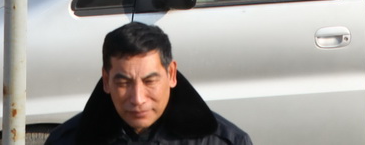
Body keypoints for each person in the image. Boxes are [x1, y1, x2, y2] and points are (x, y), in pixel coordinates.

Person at [45, 22, 252, 144]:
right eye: (124, 83)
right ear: (106, 80)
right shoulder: (67, 141)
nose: (137, 99)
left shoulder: (222, 142)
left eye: (150, 81)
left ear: (171, 74)